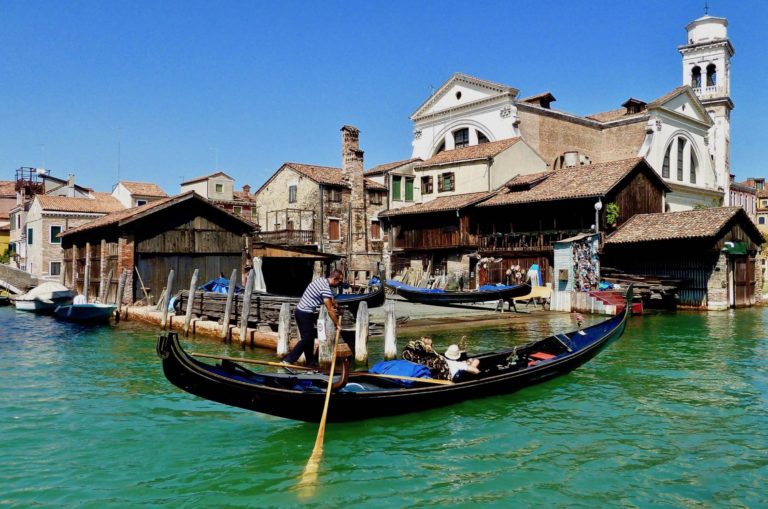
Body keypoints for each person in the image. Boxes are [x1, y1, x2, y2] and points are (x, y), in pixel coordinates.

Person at [283, 269, 344, 367]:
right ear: (335, 279)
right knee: (307, 339)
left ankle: (310, 364)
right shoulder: (325, 288)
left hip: (303, 312)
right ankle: (288, 360)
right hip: (304, 313)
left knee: (310, 340)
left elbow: (331, 299)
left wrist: (339, 308)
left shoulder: (321, 281)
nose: (340, 284)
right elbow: (330, 310)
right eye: (339, 281)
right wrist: (337, 324)